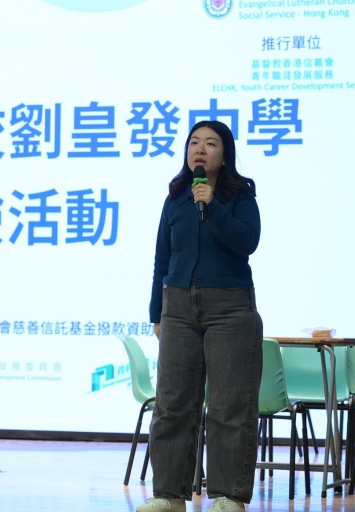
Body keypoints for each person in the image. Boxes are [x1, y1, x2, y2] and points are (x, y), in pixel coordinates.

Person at [136, 121, 263, 512]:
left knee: (229, 406)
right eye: (194, 142)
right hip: (177, 307)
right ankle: (169, 495)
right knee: (171, 404)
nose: (200, 149)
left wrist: (214, 206)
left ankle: (229, 496)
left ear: (225, 155)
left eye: (211, 143)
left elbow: (248, 242)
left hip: (230, 308)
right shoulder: (176, 196)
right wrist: (157, 311)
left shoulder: (240, 194)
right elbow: (162, 256)